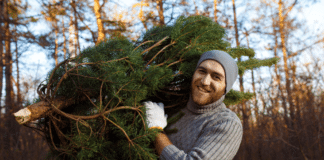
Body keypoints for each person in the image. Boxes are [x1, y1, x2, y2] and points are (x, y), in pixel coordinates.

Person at [144, 50, 243, 160]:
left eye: (216, 77)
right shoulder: (174, 105)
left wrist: (156, 131)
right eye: (202, 71)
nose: (205, 81)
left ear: (226, 87)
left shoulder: (226, 123)